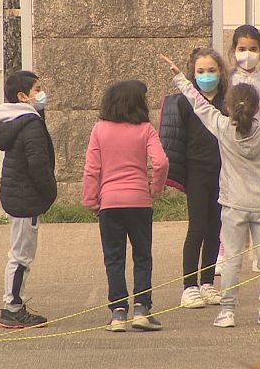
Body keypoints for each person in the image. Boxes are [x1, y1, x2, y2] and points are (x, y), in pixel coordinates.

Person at [160, 54, 260, 328]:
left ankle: (227, 311)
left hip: (233, 205)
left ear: (229, 107)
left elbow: (199, 104)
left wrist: (180, 77)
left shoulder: (223, 127)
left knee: (233, 259)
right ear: (258, 107)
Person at [83, 80, 169, 332]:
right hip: (139, 201)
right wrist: (155, 187)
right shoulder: (145, 129)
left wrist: (90, 199)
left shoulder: (99, 129)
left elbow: (92, 168)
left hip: (109, 202)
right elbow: (161, 162)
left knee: (114, 257)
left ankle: (118, 312)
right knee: (142, 255)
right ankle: (142, 309)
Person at [159, 48, 228, 309]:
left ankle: (208, 283)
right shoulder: (186, 102)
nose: (207, 75)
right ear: (193, 74)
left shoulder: (228, 102)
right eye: (201, 71)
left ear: (221, 73)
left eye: (212, 70)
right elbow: (177, 140)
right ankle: (189, 287)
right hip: (197, 173)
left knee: (215, 230)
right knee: (197, 228)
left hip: (223, 174)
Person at [216, 24, 260, 274]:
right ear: (233, 50)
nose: (247, 54)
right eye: (242, 49)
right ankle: (224, 252)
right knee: (231, 200)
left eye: (253, 49)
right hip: (233, 150)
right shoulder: (228, 80)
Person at [0, 70, 56, 329]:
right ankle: (13, 307)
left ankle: (14, 303)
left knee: (19, 253)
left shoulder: (12, 120)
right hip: (26, 197)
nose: (42, 93)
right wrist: (50, 192)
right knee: (21, 256)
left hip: (16, 194)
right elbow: (38, 165)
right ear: (22, 96)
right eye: (37, 89)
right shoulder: (30, 123)